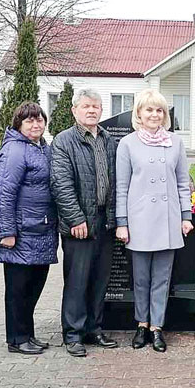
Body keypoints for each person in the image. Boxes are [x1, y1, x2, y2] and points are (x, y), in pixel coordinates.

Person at [115, 89, 192, 353]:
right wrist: (122, 222)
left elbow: (183, 183)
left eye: (159, 110)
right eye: (149, 109)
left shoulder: (175, 142)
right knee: (140, 279)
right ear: (138, 113)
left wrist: (186, 215)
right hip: (139, 221)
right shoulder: (127, 144)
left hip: (168, 221)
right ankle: (141, 324)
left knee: (162, 278)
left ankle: (157, 328)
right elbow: (121, 187)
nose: (154, 114)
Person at [51, 89, 119, 357]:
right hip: (79, 222)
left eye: (96, 107)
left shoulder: (107, 140)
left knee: (100, 279)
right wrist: (76, 218)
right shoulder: (64, 141)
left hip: (104, 220)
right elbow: (61, 184)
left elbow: (114, 181)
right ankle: (73, 334)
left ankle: (94, 328)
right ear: (74, 110)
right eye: (86, 106)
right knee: (77, 281)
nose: (92, 111)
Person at [0, 102, 58, 355]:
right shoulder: (14, 151)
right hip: (20, 232)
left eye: (39, 120)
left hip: (41, 230)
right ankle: (17, 338)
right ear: (19, 124)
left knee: (34, 286)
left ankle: (28, 334)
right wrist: (7, 231)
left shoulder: (43, 148)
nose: (36, 125)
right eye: (29, 121)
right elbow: (3, 193)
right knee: (18, 289)